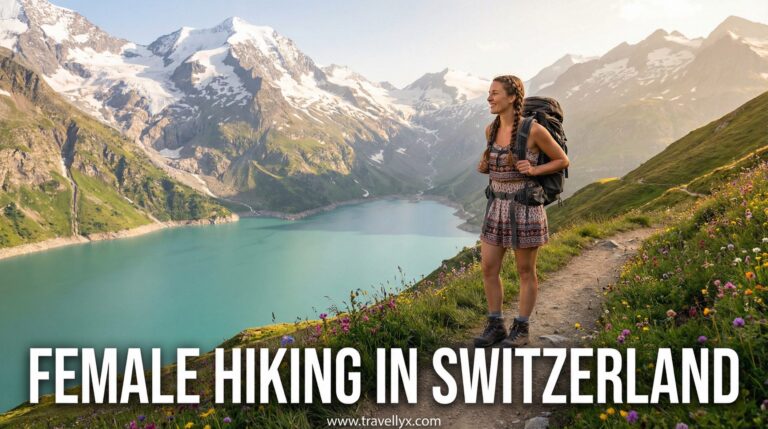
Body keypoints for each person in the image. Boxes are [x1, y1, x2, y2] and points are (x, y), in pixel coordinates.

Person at [473, 75, 569, 348]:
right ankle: (495, 325)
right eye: (489, 93)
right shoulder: (489, 130)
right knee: (489, 267)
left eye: (494, 93)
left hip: (525, 207)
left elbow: (562, 160)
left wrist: (535, 169)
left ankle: (522, 328)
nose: (489, 98)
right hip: (497, 206)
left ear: (512, 97)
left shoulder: (534, 130)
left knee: (525, 271)